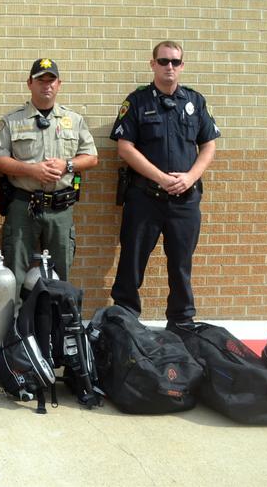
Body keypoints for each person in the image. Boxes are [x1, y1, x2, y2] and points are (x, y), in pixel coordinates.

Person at [109, 41, 220, 328]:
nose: (169, 67)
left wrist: (190, 177)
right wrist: (160, 177)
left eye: (174, 62)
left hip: (185, 201)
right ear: (153, 64)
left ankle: (182, 323)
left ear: (182, 65)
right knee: (132, 263)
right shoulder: (137, 102)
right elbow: (125, 147)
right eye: (163, 61)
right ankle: (125, 321)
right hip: (145, 198)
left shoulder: (196, 102)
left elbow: (208, 145)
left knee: (181, 266)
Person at [0, 58, 98, 290]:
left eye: (51, 80)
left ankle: (57, 324)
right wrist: (32, 170)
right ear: (30, 83)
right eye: (40, 80)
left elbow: (91, 157)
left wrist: (67, 165)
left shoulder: (74, 120)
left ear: (59, 84)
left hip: (61, 208)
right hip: (22, 205)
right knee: (15, 271)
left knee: (61, 272)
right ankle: (14, 324)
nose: (46, 85)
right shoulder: (12, 121)